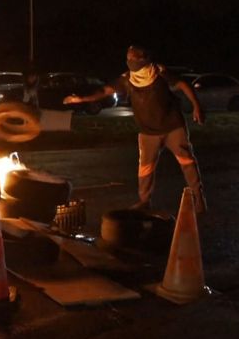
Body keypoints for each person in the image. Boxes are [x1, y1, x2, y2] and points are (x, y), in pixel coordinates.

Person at [63, 45, 207, 213]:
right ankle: (144, 201)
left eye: (133, 58)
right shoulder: (127, 79)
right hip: (148, 132)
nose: (130, 61)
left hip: (172, 127)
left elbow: (183, 84)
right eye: (128, 58)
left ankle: (199, 199)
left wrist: (197, 107)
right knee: (145, 169)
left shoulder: (159, 72)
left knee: (187, 161)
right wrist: (81, 99)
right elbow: (104, 90)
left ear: (144, 59)